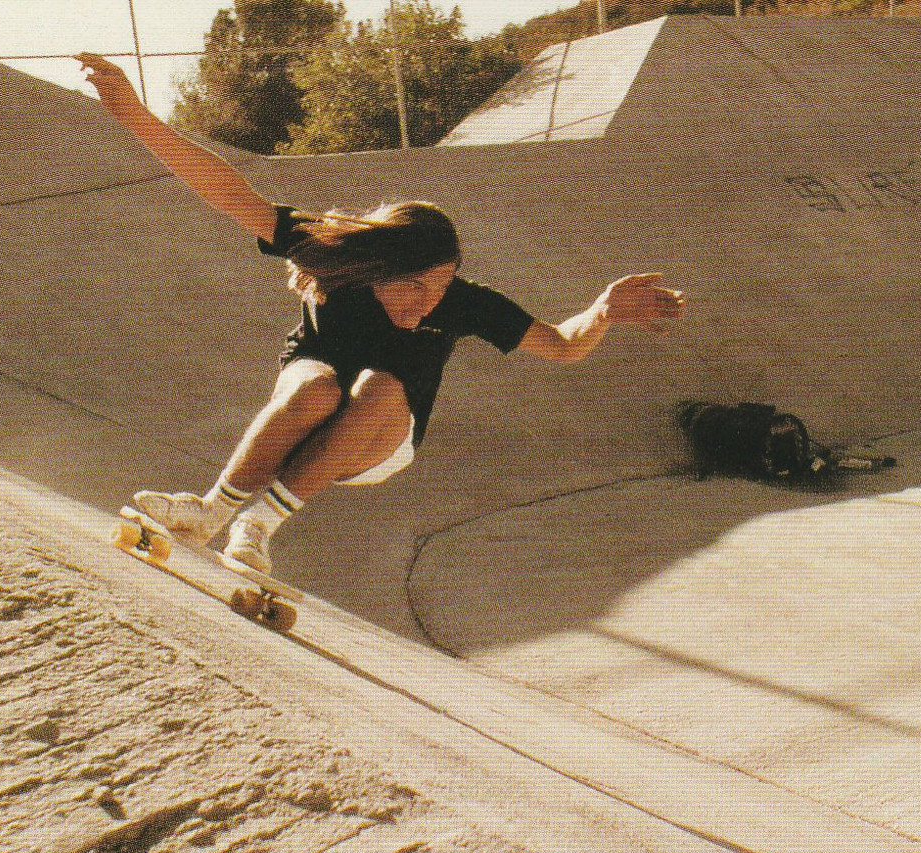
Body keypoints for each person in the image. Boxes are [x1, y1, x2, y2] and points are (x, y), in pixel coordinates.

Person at [76, 53, 686, 573]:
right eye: (413, 288)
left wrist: (604, 309)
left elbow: (561, 343)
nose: (427, 304)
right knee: (316, 384)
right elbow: (224, 186)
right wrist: (134, 113)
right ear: (376, 272)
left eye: (441, 285)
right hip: (302, 411)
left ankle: (257, 527)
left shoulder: (463, 303)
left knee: (381, 385)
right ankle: (210, 513)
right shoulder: (337, 257)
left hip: (380, 441)